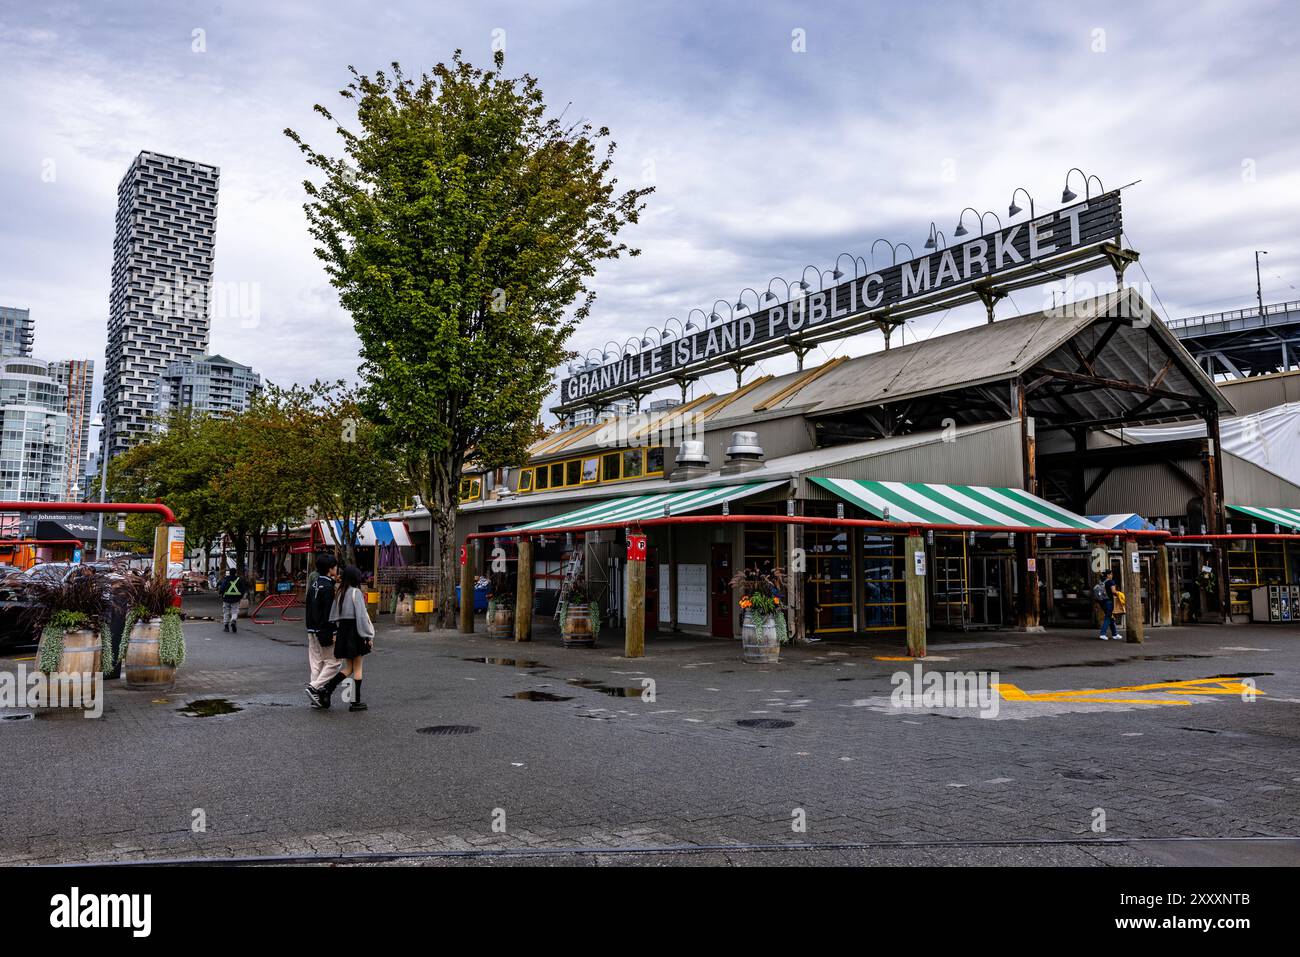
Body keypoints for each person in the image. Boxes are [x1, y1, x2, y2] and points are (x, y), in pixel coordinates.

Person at [316, 564, 374, 712]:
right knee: (358, 667)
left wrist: (336, 633)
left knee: (349, 668)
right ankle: (355, 702)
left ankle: (326, 689)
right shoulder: (356, 593)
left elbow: (333, 616)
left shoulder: (340, 592)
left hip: (343, 631)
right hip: (355, 631)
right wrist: (368, 636)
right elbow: (361, 617)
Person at [305, 556, 344, 709]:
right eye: (335, 566)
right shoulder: (328, 588)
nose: (337, 569)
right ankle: (314, 687)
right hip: (324, 630)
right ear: (330, 569)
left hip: (311, 629)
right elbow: (330, 613)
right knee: (334, 662)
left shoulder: (314, 584)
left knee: (316, 663)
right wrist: (333, 631)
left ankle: (316, 696)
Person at [217, 567, 246, 633]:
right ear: (235, 573)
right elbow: (243, 589)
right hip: (236, 599)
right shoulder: (239, 579)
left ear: (229, 572)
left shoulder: (226, 579)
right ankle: (233, 620)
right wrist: (240, 597)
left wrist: (220, 593)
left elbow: (222, 588)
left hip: (226, 598)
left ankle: (226, 626)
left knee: (226, 612)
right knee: (235, 611)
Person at [1094, 568, 1119, 640]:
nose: (1112, 575)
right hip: (1109, 601)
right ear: (1108, 575)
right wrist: (1120, 594)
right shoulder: (1111, 582)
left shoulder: (1101, 581)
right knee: (1108, 617)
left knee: (1110, 617)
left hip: (1102, 601)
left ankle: (1115, 634)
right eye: (1111, 574)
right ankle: (1102, 634)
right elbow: (1113, 592)